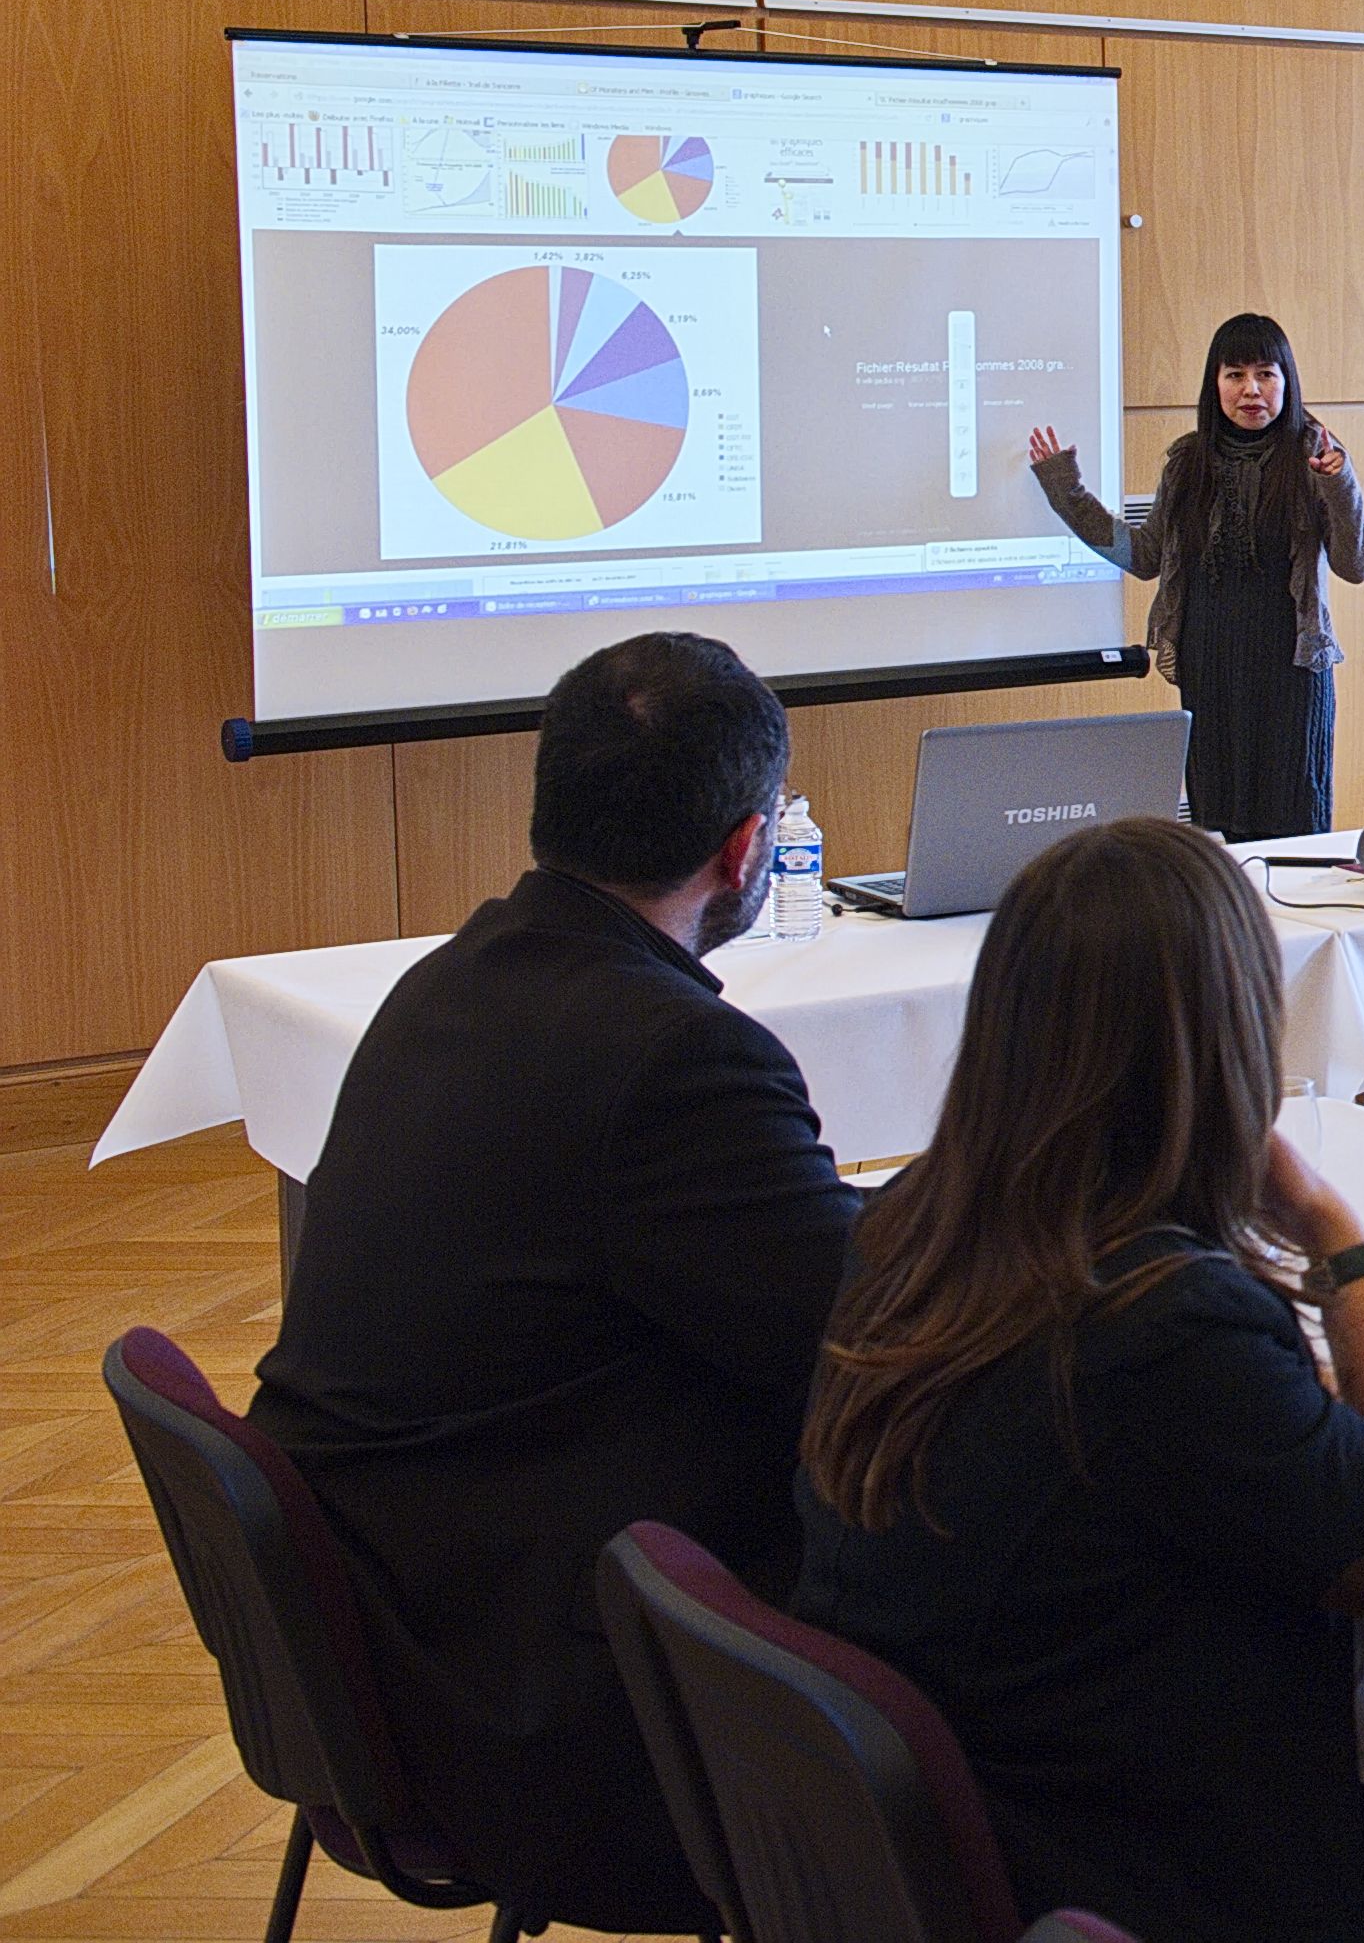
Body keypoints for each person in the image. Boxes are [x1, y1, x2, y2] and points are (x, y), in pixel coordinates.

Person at [793, 817, 1364, 1943]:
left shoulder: (910, 1227)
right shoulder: (1163, 1330)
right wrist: (1338, 1240)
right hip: (1145, 1880)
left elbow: (1103, 1440)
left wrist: (1311, 1382)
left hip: (982, 1851)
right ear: (1224, 1039)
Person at [250, 633, 856, 1933]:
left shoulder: (449, 981)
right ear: (749, 851)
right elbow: (867, 1344)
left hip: (394, 1641)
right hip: (552, 1715)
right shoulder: (674, 1055)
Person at [1027, 310, 1364, 841]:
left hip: (1291, 672)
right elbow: (1142, 556)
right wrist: (1066, 491)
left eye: (1266, 374)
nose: (1250, 390)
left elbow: (1356, 564)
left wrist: (1339, 483)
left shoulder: (1315, 454)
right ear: (1215, 385)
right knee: (1220, 827)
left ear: (1287, 381)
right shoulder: (1188, 460)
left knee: (1295, 828)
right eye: (1235, 375)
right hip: (1208, 669)